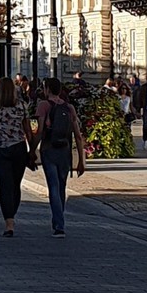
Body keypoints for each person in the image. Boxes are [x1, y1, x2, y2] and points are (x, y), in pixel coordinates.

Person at [32, 77, 86, 237]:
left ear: (47, 89)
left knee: (54, 187)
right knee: (61, 187)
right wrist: (82, 160)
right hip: (65, 151)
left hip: (49, 150)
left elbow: (40, 131)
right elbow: (77, 135)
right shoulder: (69, 108)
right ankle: (58, 220)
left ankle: (59, 224)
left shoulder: (43, 106)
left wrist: (32, 151)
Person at [0, 76, 33, 237]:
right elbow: (27, 129)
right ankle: (11, 213)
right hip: (18, 147)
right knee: (15, 184)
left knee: (4, 184)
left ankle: (9, 222)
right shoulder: (21, 106)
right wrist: (31, 149)